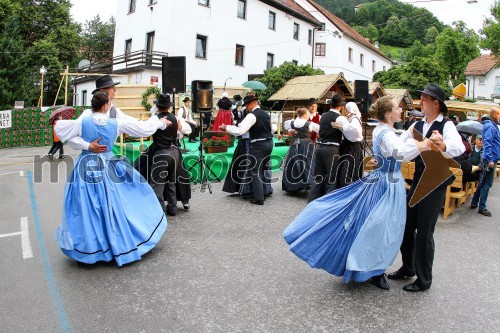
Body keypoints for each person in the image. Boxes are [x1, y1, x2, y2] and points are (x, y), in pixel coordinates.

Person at [283, 95, 430, 290]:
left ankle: (372, 268)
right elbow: (399, 153)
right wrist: (424, 144)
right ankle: (373, 270)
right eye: (397, 108)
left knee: (377, 226)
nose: (401, 110)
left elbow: (395, 144)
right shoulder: (385, 134)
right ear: (388, 113)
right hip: (387, 182)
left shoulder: (382, 130)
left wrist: (410, 133)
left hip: (384, 179)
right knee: (380, 227)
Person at [53, 91, 170, 266]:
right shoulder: (116, 123)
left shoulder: (83, 120)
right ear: (106, 105)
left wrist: (87, 146)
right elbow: (143, 128)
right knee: (115, 203)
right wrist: (160, 122)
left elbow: (60, 130)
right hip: (107, 165)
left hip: (86, 165)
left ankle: (89, 248)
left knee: (87, 207)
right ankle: (117, 242)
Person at [388, 83, 465, 292]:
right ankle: (409, 266)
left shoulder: (447, 126)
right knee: (405, 225)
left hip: (435, 184)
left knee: (424, 232)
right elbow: (401, 145)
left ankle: (424, 280)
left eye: (424, 99)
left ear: (435, 103)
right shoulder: (416, 125)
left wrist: (444, 146)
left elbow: (459, 147)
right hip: (418, 180)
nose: (420, 102)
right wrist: (385, 145)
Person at [135, 94, 193, 216]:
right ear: (168, 106)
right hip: (174, 153)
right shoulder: (175, 118)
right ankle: (172, 209)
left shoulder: (155, 119)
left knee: (157, 184)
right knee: (171, 182)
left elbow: (146, 131)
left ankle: (159, 212)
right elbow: (181, 133)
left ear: (158, 106)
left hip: (161, 153)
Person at [219, 94, 276, 205]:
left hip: (258, 145)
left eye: (246, 105)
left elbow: (240, 131)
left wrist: (227, 127)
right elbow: (273, 128)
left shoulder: (252, 116)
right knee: (263, 169)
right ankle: (264, 192)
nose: (246, 108)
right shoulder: (265, 114)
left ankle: (259, 198)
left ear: (251, 104)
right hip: (269, 143)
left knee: (255, 171)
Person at [67, 75, 135, 153]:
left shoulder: (115, 112)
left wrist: (152, 120)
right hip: (90, 159)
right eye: (112, 87)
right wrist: (88, 146)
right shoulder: (88, 114)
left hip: (108, 158)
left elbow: (138, 127)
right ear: (103, 91)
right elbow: (71, 136)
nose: (115, 89)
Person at [307, 95, 347, 202]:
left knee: (318, 177)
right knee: (331, 177)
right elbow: (350, 133)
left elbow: (320, 131)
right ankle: (328, 203)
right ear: (341, 106)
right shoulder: (340, 118)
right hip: (331, 148)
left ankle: (311, 202)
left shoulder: (323, 115)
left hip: (319, 146)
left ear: (330, 104)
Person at [281, 107, 319, 193]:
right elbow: (320, 129)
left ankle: (293, 186)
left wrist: (291, 130)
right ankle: (308, 183)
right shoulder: (309, 123)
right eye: (308, 114)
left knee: (294, 164)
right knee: (308, 164)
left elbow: (286, 126)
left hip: (296, 145)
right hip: (307, 145)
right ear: (305, 114)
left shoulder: (291, 122)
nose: (309, 116)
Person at [471, 107, 500, 217]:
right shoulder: (490, 126)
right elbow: (487, 143)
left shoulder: (489, 125)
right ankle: (482, 207)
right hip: (490, 159)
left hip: (489, 158)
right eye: (499, 115)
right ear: (495, 115)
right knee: (487, 184)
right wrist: (491, 159)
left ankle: (474, 202)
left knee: (483, 182)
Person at [335, 102, 364, 188]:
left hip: (353, 148)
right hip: (350, 146)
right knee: (347, 168)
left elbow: (356, 131)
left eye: (345, 109)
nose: (345, 110)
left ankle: (347, 190)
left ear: (348, 110)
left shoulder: (355, 119)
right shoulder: (352, 118)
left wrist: (342, 127)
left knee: (348, 169)